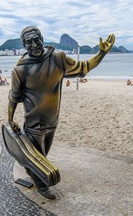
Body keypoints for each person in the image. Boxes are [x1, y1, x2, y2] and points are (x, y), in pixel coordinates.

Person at [8, 26, 115, 199]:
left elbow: (84, 66)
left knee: (42, 156)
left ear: (42, 38)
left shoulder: (58, 58)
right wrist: (10, 119)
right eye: (29, 42)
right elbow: (13, 97)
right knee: (40, 159)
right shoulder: (20, 70)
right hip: (34, 123)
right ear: (24, 45)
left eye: (37, 39)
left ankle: (32, 172)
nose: (35, 45)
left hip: (52, 120)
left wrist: (102, 53)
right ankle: (42, 186)